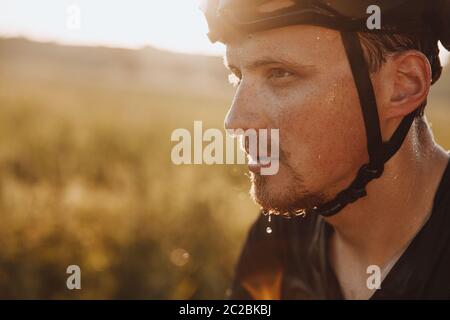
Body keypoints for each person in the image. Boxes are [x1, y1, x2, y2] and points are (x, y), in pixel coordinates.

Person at [201, 0, 450, 299]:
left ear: (403, 85)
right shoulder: (280, 239)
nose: (235, 121)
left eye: (280, 73)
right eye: (238, 76)